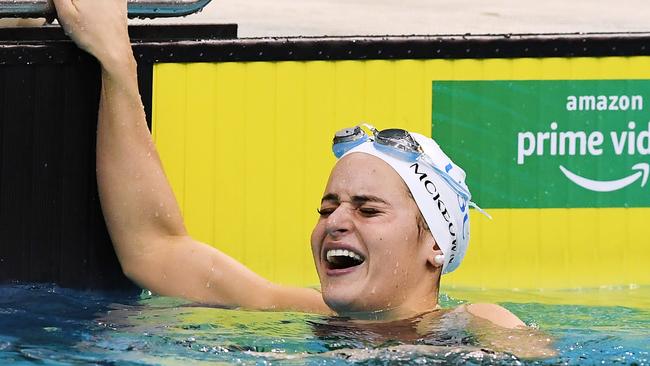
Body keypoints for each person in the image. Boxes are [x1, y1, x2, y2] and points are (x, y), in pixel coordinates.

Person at [52, 0, 555, 358]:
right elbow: (155, 250)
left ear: (437, 247)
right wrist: (116, 60)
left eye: (368, 208)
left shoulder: (477, 325)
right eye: (327, 206)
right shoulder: (305, 316)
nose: (335, 221)